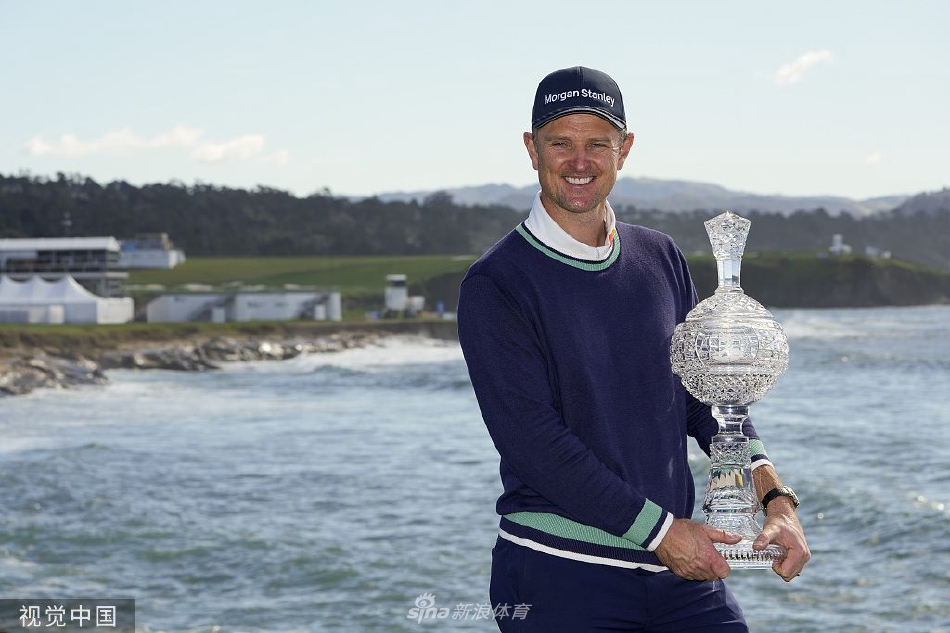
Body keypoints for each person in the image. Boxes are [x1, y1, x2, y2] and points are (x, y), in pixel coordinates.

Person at [457, 66, 810, 632]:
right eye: (560, 143)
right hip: (560, 575)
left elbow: (705, 397)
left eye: (598, 143)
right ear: (531, 149)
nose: (579, 161)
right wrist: (663, 533)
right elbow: (534, 443)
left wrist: (775, 498)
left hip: (679, 577)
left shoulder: (660, 257)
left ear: (624, 150)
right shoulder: (497, 282)